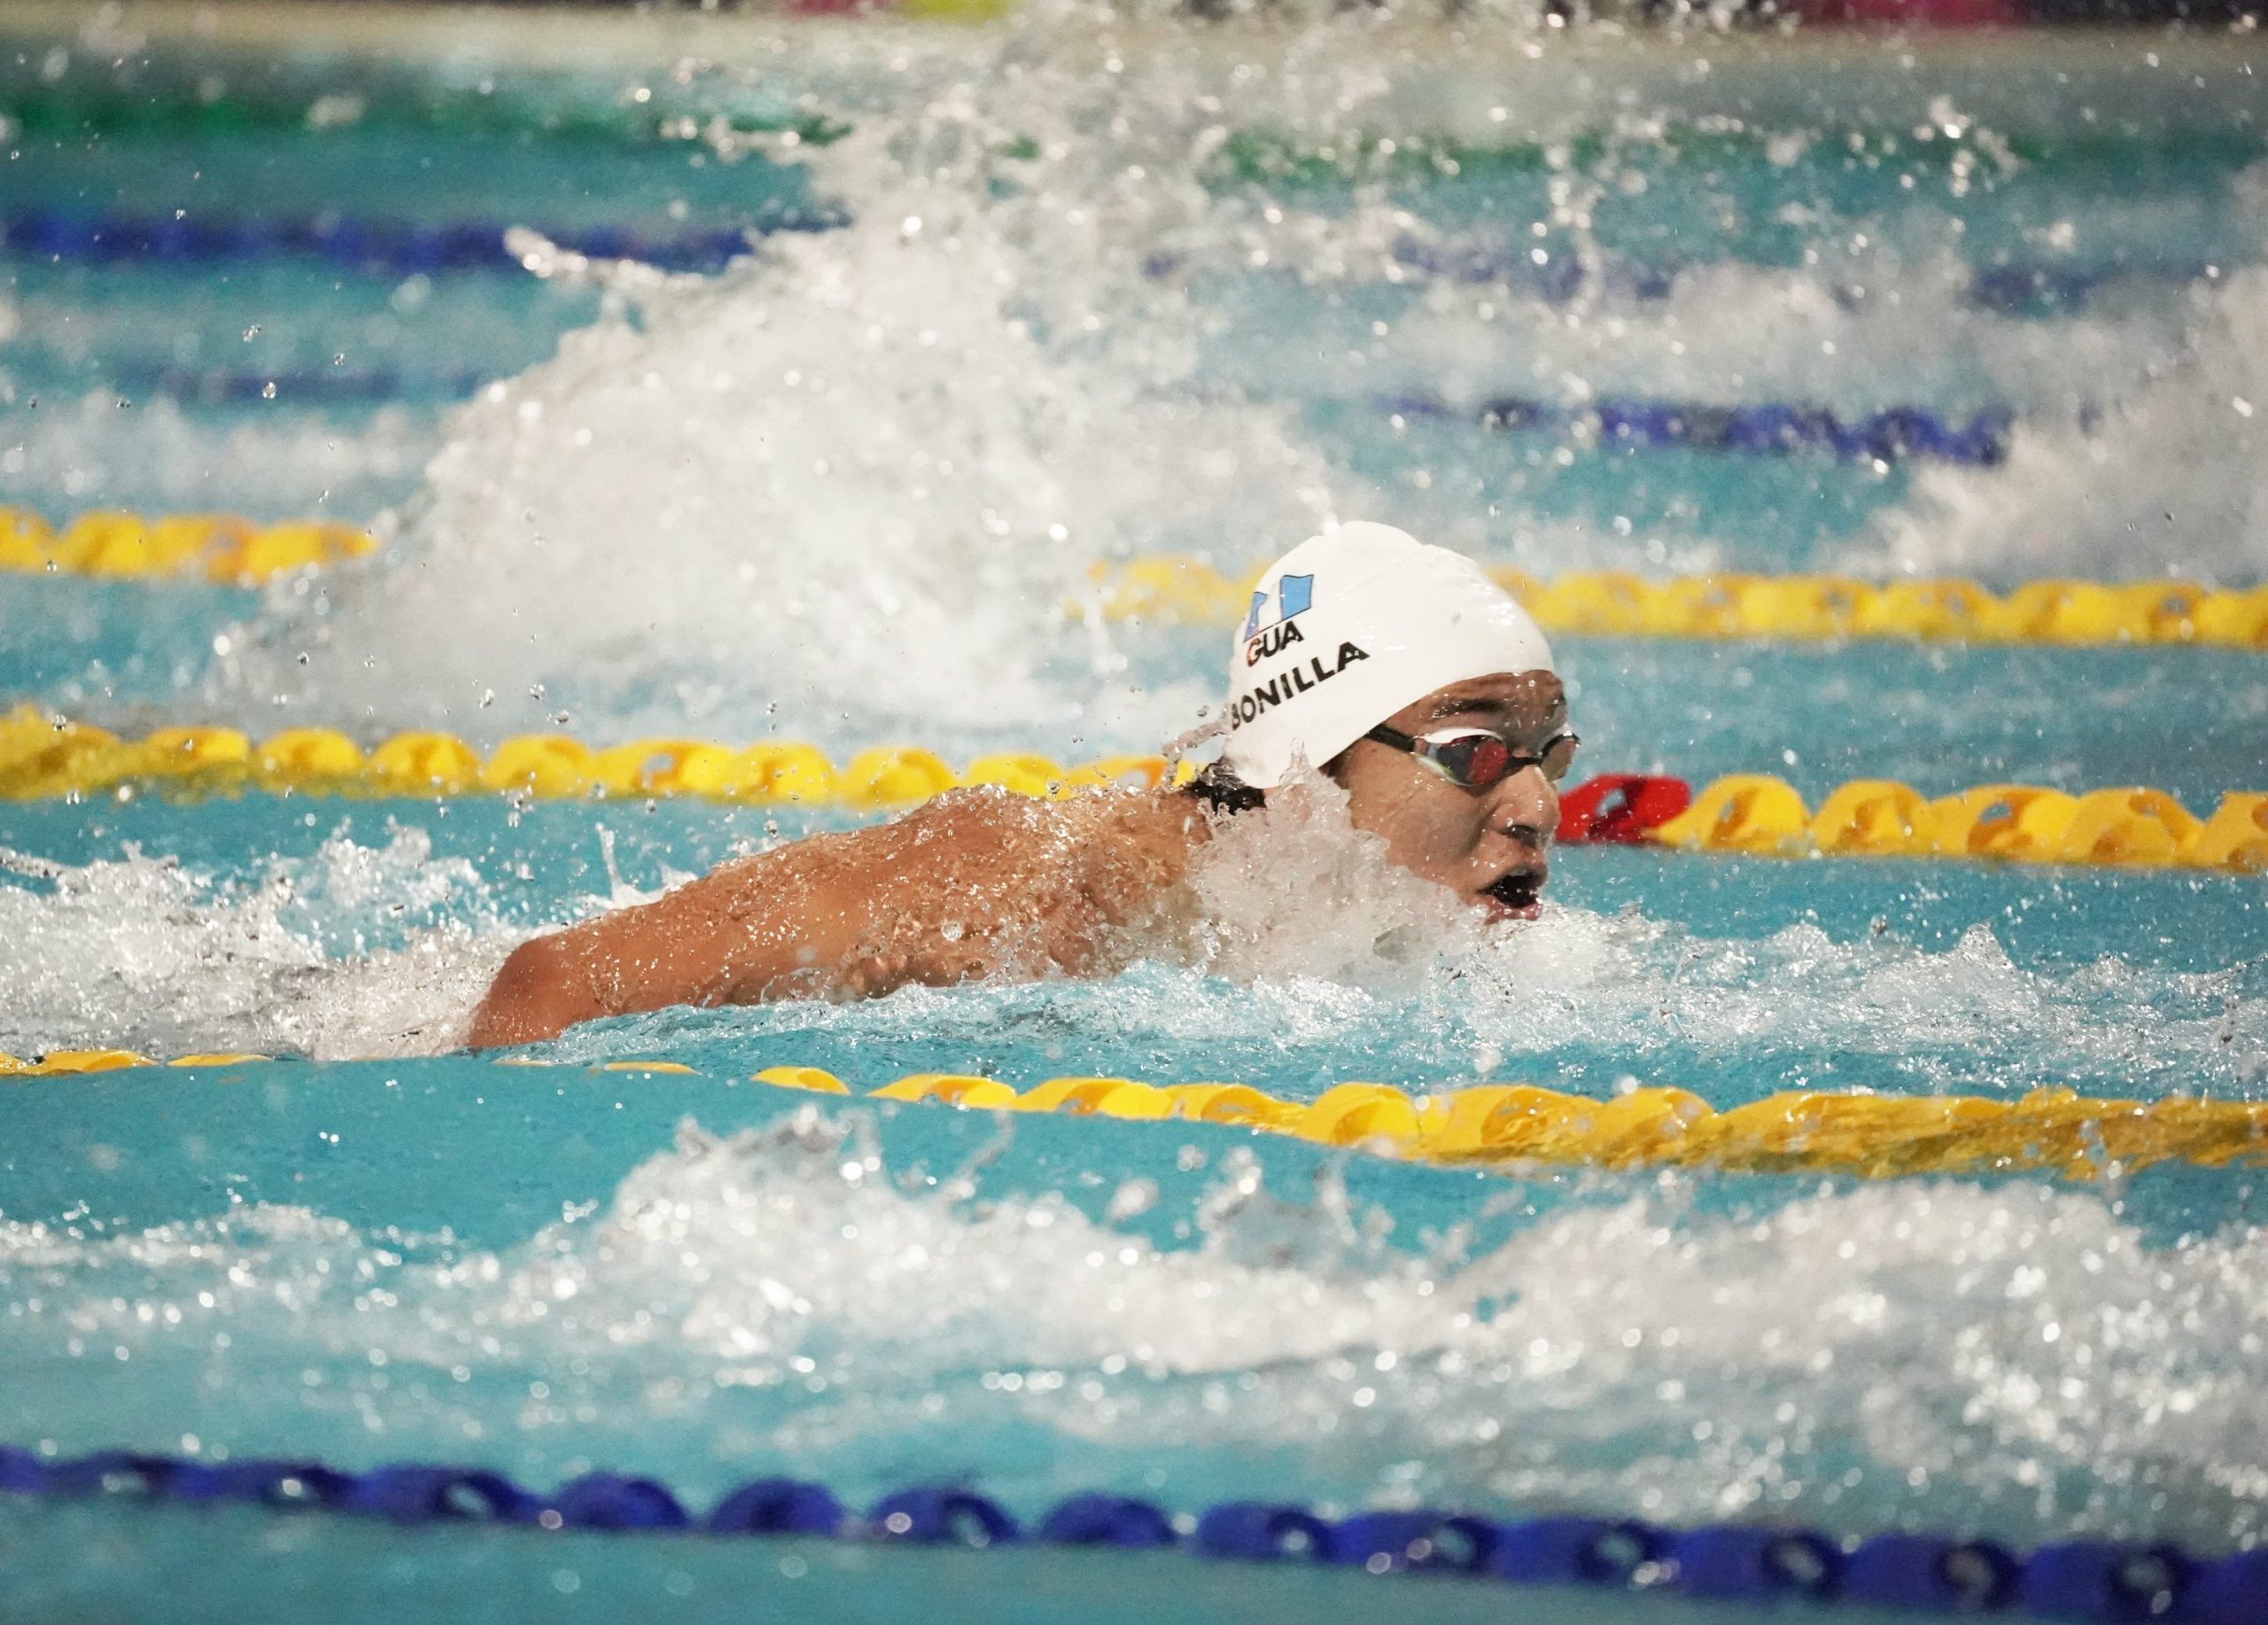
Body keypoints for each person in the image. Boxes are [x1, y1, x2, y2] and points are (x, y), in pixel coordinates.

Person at [466, 522, 1574, 1046]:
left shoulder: (1373, 937)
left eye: (1548, 753)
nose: (1533, 808)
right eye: (1476, 750)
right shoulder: (1021, 883)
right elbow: (549, 984)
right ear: (1302, 765)